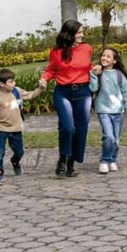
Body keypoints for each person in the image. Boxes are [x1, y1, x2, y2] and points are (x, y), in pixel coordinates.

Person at [39, 19, 92, 178]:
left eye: (82, 32)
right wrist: (44, 79)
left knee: (81, 130)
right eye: (79, 32)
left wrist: (96, 69)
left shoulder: (87, 49)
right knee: (68, 128)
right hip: (63, 93)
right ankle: (62, 157)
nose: (82, 35)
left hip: (83, 93)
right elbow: (51, 70)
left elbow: (87, 67)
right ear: (69, 34)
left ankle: (71, 164)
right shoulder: (56, 52)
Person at [0, 68, 45, 186]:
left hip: (16, 128)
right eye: (11, 82)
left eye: (14, 81)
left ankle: (15, 161)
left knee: (19, 152)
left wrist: (41, 89)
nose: (14, 83)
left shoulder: (16, 91)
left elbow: (31, 95)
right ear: (2, 84)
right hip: (1, 130)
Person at [89, 47, 127, 174]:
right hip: (103, 110)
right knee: (108, 136)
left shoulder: (119, 75)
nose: (105, 58)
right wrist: (93, 75)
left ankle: (112, 160)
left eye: (109, 56)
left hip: (118, 111)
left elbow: (126, 93)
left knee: (116, 139)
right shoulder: (98, 72)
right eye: (103, 55)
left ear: (114, 61)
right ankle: (104, 161)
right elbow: (93, 89)